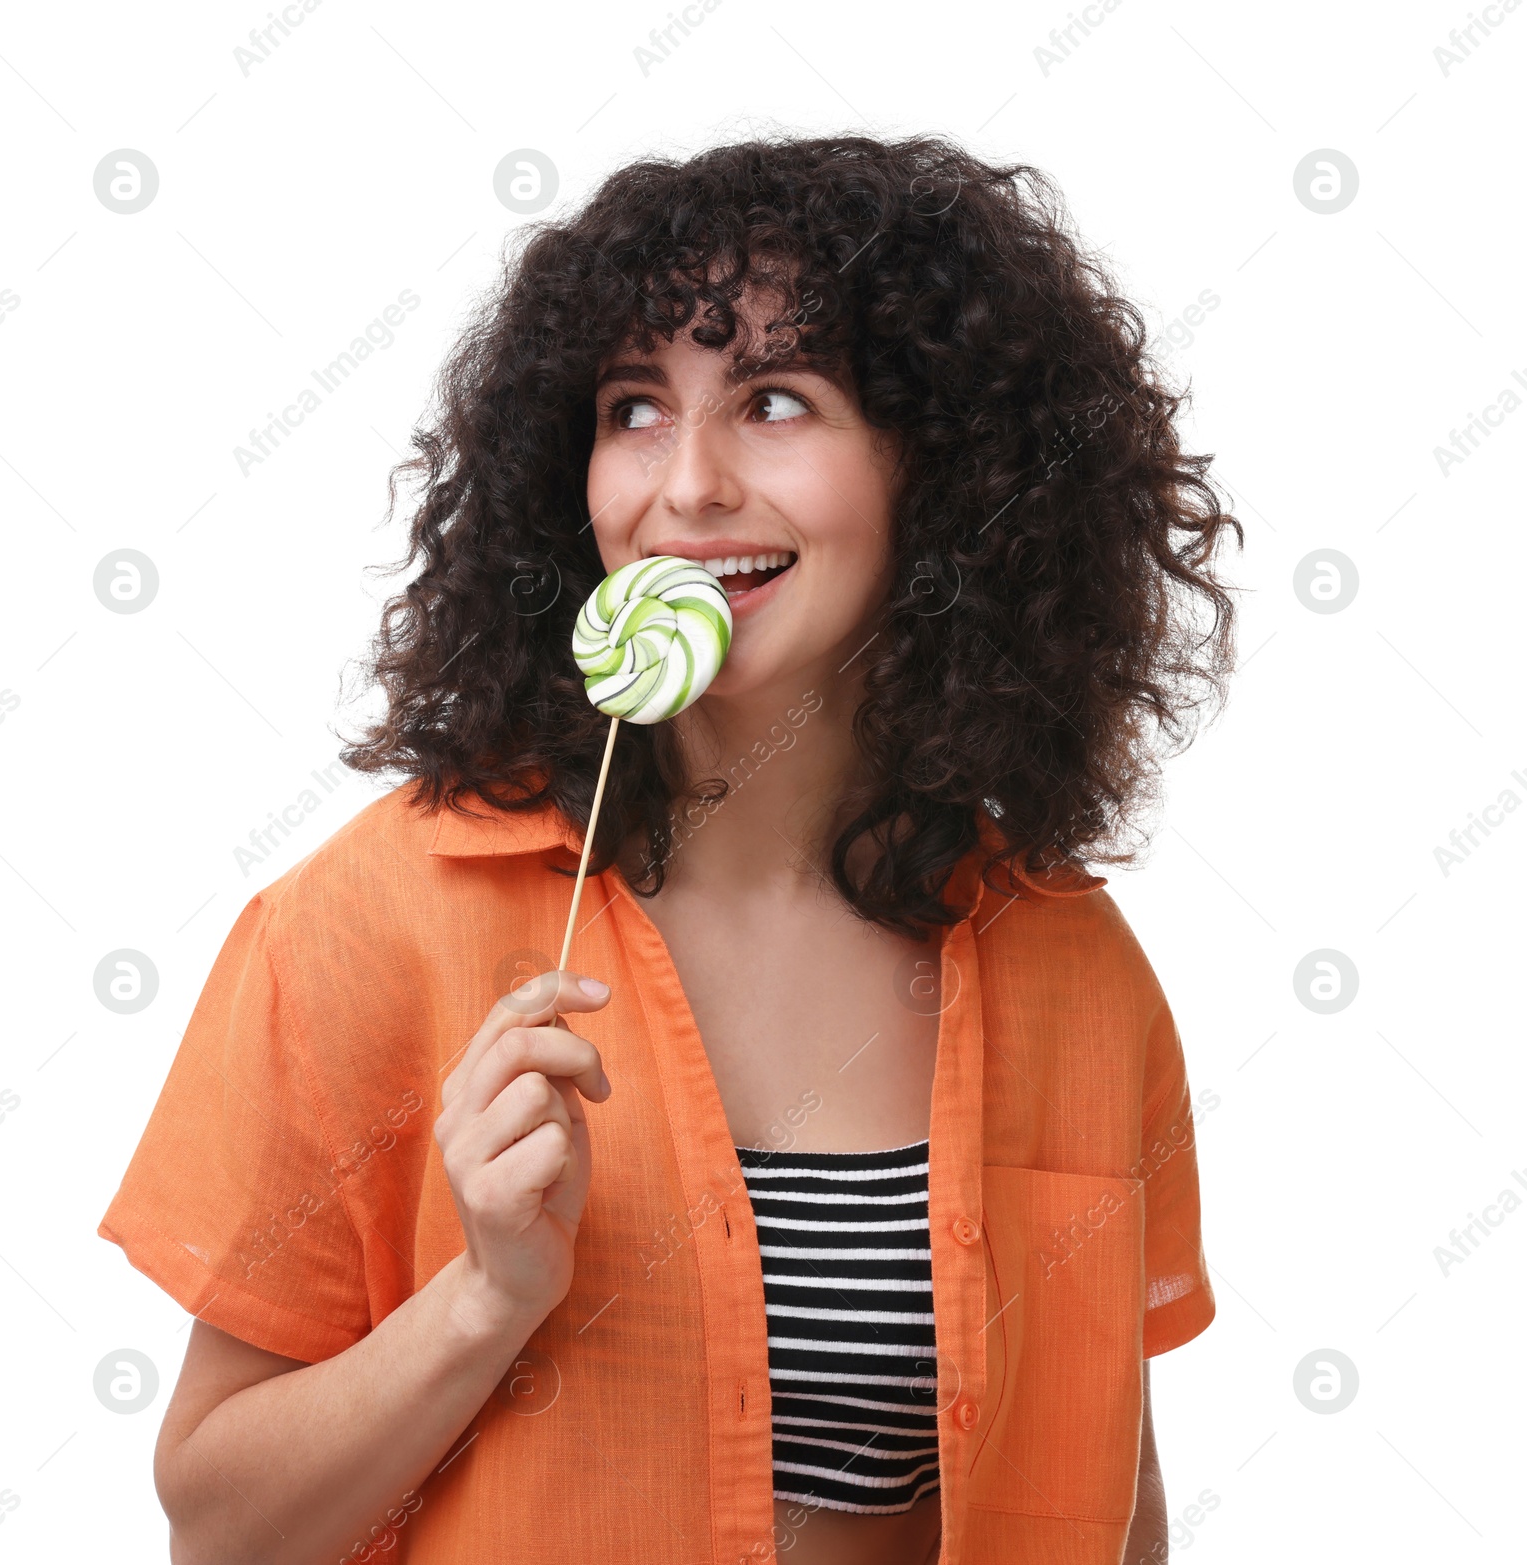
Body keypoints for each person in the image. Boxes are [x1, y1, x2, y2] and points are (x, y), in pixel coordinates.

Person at [99, 132, 1239, 1565]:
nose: (684, 487)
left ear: (937, 468)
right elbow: (219, 1528)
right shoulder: (371, 918)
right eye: (634, 407)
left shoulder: (1067, 956)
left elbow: (1112, 1513)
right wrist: (485, 1297)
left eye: (773, 400)